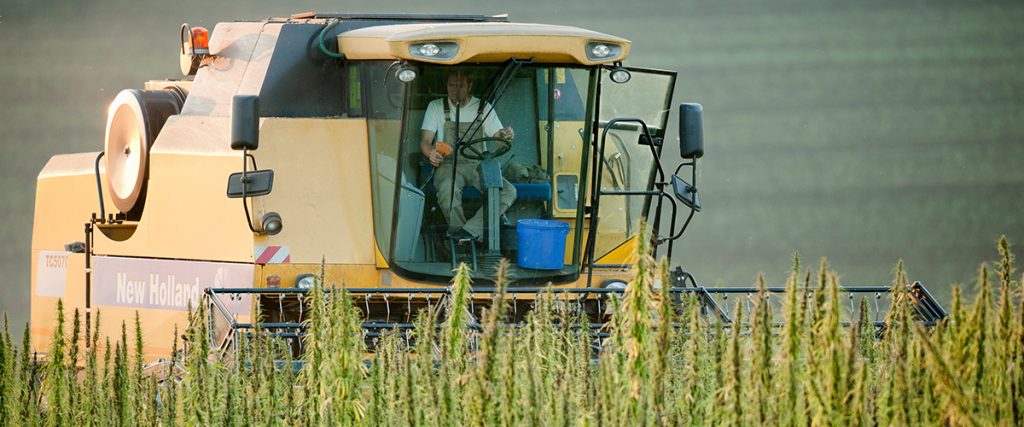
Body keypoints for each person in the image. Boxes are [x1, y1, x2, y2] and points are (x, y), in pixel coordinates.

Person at [420, 71, 517, 241]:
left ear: (470, 85)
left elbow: (499, 139)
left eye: (460, 85)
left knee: (508, 191)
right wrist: (431, 153)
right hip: (449, 165)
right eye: (451, 85)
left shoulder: (483, 107)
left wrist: (505, 135)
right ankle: (461, 240)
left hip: (476, 165)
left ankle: (467, 234)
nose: (455, 90)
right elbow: (425, 141)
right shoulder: (436, 107)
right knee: (447, 190)